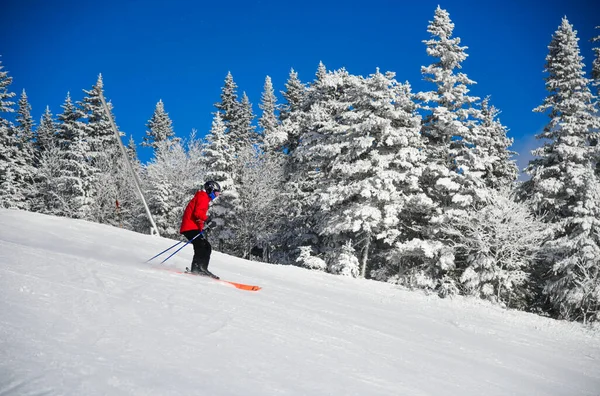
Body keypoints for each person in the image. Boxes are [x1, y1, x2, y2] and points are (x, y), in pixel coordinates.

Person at [180, 180, 221, 278]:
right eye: (216, 193)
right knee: (202, 246)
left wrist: (203, 227)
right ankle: (200, 268)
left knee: (204, 246)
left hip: (191, 227)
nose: (216, 196)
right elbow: (197, 213)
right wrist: (208, 220)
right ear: (210, 190)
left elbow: (198, 216)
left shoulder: (203, 198)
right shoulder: (203, 197)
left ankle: (198, 268)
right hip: (189, 227)